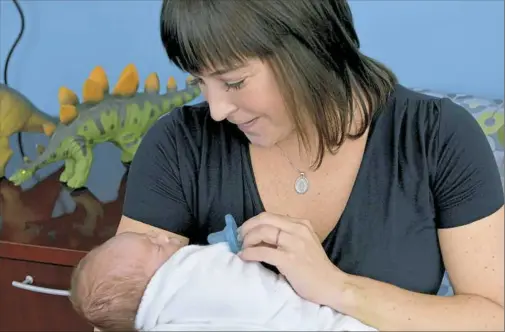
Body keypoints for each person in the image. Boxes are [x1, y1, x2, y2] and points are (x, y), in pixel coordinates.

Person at [112, 0, 504, 331]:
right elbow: (121, 310)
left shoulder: (435, 137)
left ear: (309, 49)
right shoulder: (179, 147)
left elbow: (493, 317)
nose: (216, 110)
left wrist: (337, 287)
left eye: (233, 82)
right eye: (200, 82)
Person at [70, 231, 376, 331]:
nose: (163, 236)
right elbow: (235, 271)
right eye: (155, 245)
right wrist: (235, 242)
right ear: (152, 283)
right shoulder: (189, 271)